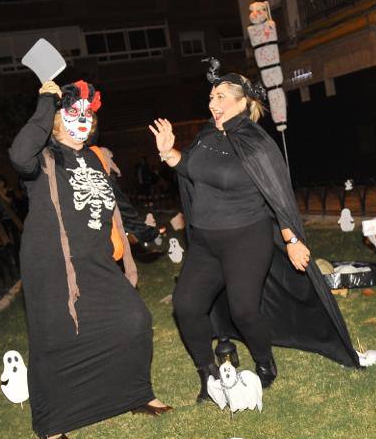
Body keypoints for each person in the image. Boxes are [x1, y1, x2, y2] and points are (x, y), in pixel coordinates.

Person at [150, 58, 361, 404]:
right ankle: (209, 377)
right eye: (210, 98)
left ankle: (265, 365)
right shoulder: (205, 136)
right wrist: (168, 152)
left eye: (219, 97)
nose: (212, 104)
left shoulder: (256, 143)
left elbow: (277, 193)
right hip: (205, 242)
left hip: (246, 238)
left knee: (244, 309)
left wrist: (291, 238)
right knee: (186, 305)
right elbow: (188, 168)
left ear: (241, 101)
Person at [9, 78, 170, 439]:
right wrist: (45, 103)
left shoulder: (95, 159)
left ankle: (135, 394)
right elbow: (18, 154)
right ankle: (53, 422)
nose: (80, 119)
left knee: (134, 319)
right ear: (56, 119)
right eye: (71, 112)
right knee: (55, 340)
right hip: (51, 263)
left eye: (86, 113)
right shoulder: (43, 158)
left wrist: (143, 232)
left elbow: (117, 204)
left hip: (96, 261)